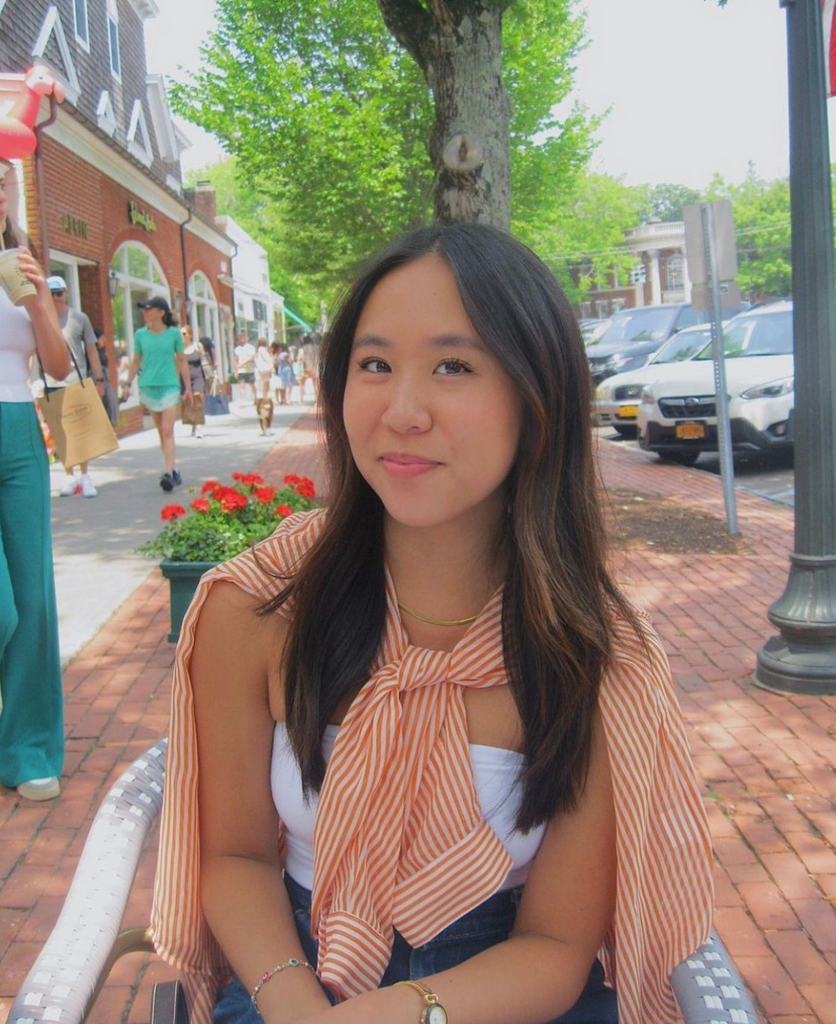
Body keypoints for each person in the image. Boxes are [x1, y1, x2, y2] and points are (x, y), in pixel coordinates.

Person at [151, 224, 713, 1024]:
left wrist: (395, 1016)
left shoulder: (591, 653)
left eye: (454, 366)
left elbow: (556, 943)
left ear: (535, 398)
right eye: (374, 365)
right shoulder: (259, 608)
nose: (402, 411)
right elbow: (235, 856)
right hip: (293, 978)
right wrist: (302, 1008)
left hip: (505, 995)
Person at [0, 158, 70, 801]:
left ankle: (27, 749)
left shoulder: (22, 264)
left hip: (19, 433)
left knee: (33, 596)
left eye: (2, 181)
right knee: (1, 606)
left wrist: (37, 301)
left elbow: (55, 363)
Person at [119, 297, 192, 491]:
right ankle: (173, 468)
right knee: (161, 431)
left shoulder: (174, 334)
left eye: (148, 309)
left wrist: (188, 389)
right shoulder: (141, 335)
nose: (145, 312)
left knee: (168, 429)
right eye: (144, 309)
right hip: (149, 386)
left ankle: (168, 473)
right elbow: (135, 361)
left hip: (169, 386)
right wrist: (127, 383)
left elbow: (182, 360)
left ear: (161, 312)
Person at [43, 275, 106, 498]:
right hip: (50, 381)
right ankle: (69, 476)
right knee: (60, 432)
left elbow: (91, 350)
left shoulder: (79, 318)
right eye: (51, 293)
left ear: (66, 293)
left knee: (80, 430)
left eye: (58, 293)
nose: (55, 298)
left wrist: (98, 379)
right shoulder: (42, 319)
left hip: (75, 379)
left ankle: (85, 475)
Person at [181, 324, 211, 439]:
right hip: (184, 378)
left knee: (199, 399)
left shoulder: (198, 346)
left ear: (190, 335)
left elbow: (205, 360)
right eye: (180, 334)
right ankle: (194, 423)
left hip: (198, 376)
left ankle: (199, 426)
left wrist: (211, 375)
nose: (182, 336)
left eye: (184, 334)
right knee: (190, 402)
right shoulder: (179, 349)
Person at [94, 327, 119, 428]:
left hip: (105, 375)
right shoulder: (94, 353)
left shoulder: (102, 351)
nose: (104, 340)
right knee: (105, 399)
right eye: (102, 338)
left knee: (111, 399)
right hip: (99, 376)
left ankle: (112, 423)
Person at [234, 332, 256, 402]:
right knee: (241, 385)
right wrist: (236, 369)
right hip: (241, 370)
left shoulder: (250, 347)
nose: (241, 339)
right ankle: (242, 400)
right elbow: (235, 359)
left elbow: (251, 358)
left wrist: (242, 363)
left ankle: (255, 397)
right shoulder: (237, 349)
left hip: (249, 369)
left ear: (245, 338)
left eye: (243, 338)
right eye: (240, 338)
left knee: (252, 384)